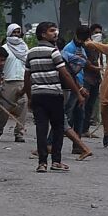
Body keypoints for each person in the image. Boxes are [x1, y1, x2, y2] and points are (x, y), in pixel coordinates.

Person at [25, 22, 84, 172]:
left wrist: (29, 96)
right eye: (51, 31)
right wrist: (77, 92)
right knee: (58, 127)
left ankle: (42, 162)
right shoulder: (54, 52)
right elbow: (64, 73)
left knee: (41, 128)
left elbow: (27, 76)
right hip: (54, 94)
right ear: (43, 34)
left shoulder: (31, 52)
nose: (55, 33)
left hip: (38, 95)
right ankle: (56, 161)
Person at [0, 23, 28, 143]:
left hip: (22, 81)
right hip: (8, 81)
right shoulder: (5, 48)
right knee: (4, 109)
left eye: (18, 32)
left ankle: (19, 133)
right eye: (14, 32)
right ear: (9, 33)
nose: (16, 35)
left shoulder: (24, 48)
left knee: (23, 108)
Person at [82, 23, 104, 137]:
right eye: (96, 33)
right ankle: (78, 127)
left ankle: (85, 129)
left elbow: (101, 61)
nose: (98, 35)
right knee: (83, 103)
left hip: (96, 78)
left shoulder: (99, 47)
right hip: (86, 77)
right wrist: (95, 67)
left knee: (90, 105)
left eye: (100, 32)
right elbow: (84, 61)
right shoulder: (86, 45)